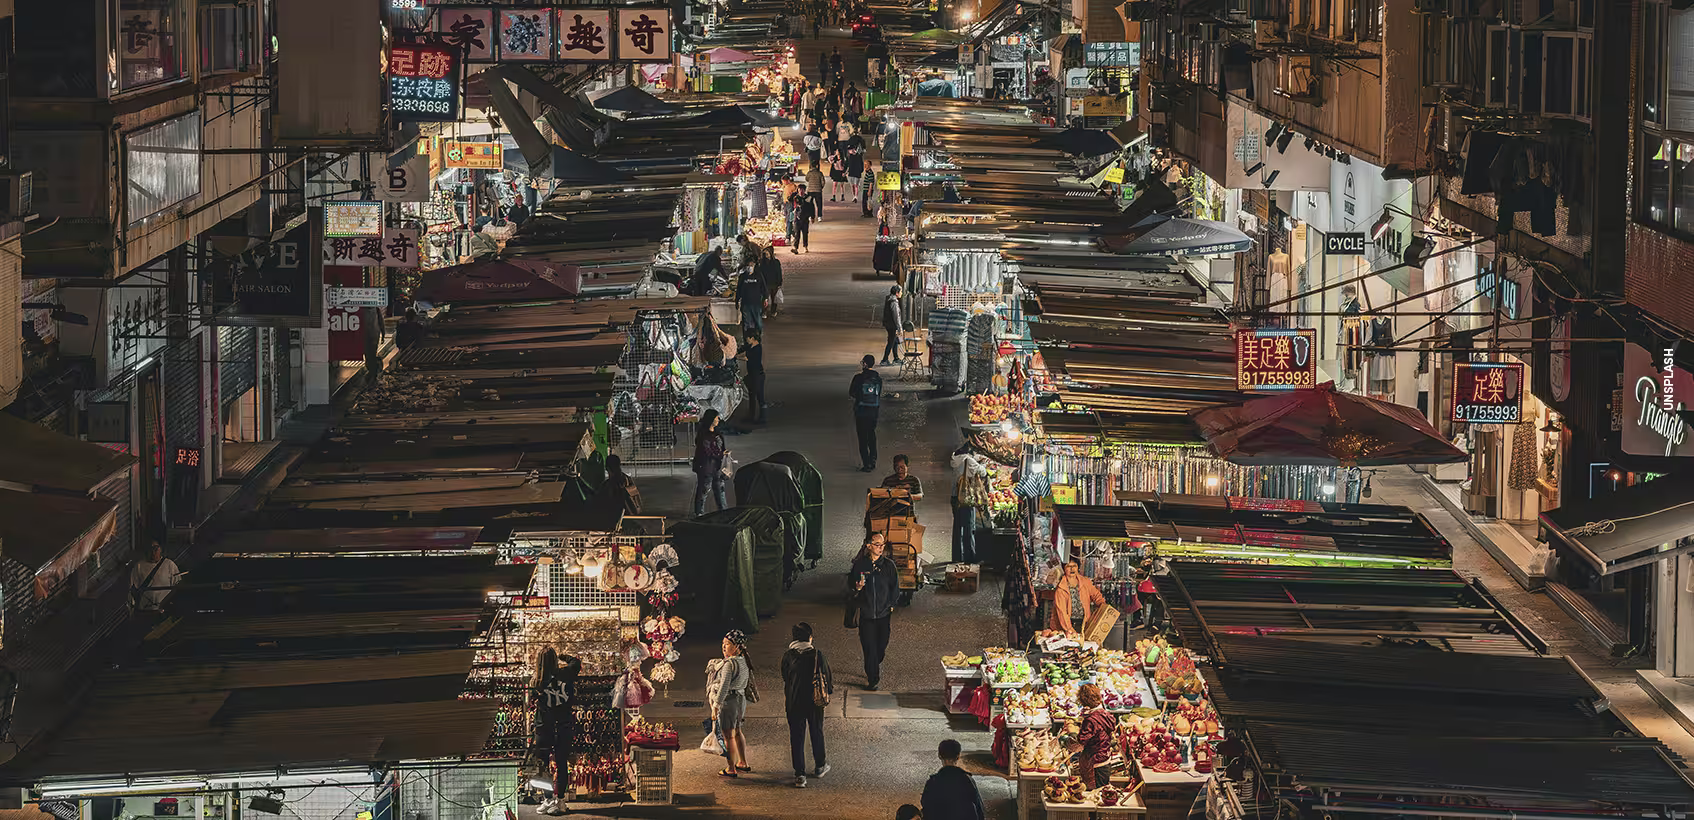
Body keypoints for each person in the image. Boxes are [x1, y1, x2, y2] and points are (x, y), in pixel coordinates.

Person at [781, 622, 833, 787]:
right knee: (816, 731)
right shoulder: (817, 655)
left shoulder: (788, 656)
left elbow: (785, 677)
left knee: (797, 736)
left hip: (794, 701)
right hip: (814, 701)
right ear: (810, 637)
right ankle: (820, 766)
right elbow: (827, 678)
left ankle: (800, 775)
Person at [532, 647, 582, 816]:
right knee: (561, 763)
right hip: (563, 725)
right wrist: (563, 655)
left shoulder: (536, 681)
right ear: (555, 660)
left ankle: (547, 799)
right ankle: (560, 800)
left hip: (544, 727)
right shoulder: (566, 673)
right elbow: (576, 662)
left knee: (543, 764)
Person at [848, 533, 899, 690]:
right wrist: (856, 588)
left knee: (881, 646)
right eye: (877, 545)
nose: (880, 548)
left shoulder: (889, 566)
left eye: (882, 545)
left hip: (884, 614)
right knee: (869, 647)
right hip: (866, 614)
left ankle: (874, 663)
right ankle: (873, 678)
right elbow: (850, 585)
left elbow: (895, 588)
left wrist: (891, 605)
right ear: (869, 546)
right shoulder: (860, 565)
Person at [713, 631, 754, 777]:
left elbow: (724, 687)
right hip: (740, 700)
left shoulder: (729, 664)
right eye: (723, 644)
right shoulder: (743, 661)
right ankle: (742, 762)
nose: (724, 647)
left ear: (737, 646)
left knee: (728, 736)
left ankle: (731, 768)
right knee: (737, 731)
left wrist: (716, 705)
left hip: (729, 701)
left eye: (727, 644)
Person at [920, 739, 986, 820]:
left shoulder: (932, 782)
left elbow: (925, 804)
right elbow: (979, 808)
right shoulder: (967, 780)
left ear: (939, 756)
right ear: (958, 756)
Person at [1071, 683, 1121, 788]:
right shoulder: (1106, 714)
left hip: (1094, 763)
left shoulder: (1091, 720)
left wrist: (1069, 737)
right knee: (1103, 789)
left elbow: (1081, 741)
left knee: (1095, 794)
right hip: (1105, 759)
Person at [949, 446, 988, 564]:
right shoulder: (969, 461)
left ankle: (957, 556)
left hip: (955, 497)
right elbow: (982, 472)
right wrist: (983, 464)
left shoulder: (955, 460)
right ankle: (969, 557)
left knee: (957, 527)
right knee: (968, 528)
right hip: (966, 497)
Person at [1049, 557, 1107, 636]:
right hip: (1065, 625)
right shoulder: (1061, 587)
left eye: (1074, 566)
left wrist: (1104, 609)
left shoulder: (1085, 582)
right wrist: (1070, 630)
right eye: (1069, 566)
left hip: (1084, 623)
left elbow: (1096, 596)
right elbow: (1062, 612)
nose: (1072, 569)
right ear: (1064, 568)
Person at [847, 354, 884, 472]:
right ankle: (873, 460)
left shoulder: (858, 378)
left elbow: (852, 393)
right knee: (872, 435)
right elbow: (879, 394)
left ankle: (866, 463)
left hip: (861, 412)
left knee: (862, 438)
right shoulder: (878, 378)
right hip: (874, 412)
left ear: (865, 364)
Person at [692, 409, 729, 516]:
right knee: (704, 491)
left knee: (720, 491)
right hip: (706, 468)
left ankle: (723, 513)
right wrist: (722, 454)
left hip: (717, 467)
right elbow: (707, 451)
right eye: (716, 417)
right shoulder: (704, 436)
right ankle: (699, 513)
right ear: (711, 419)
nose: (718, 419)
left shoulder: (716, 433)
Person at [130, 541, 182, 611]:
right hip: (145, 609)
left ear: (160, 549)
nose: (153, 552)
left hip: (164, 610)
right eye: (150, 549)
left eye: (155, 548)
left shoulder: (169, 565)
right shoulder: (139, 566)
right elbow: (133, 587)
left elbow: (177, 586)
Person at [592, 453, 643, 518]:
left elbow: (601, 502)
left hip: (619, 517)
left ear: (607, 468)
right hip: (633, 512)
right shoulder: (628, 479)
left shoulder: (610, 484)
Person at [737, 261, 768, 336]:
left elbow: (764, 288)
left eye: (751, 266)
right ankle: (747, 339)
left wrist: (765, 298)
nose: (750, 267)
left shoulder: (758, 276)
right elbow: (739, 289)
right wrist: (737, 300)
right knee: (746, 323)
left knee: (758, 322)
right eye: (748, 266)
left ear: (754, 266)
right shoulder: (742, 277)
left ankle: (758, 336)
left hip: (756, 303)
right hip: (745, 303)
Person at [742, 331, 767, 424]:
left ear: (752, 338)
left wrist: (736, 357)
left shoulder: (757, 348)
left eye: (747, 338)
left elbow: (746, 358)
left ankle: (762, 418)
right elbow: (741, 349)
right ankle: (751, 417)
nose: (746, 340)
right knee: (751, 396)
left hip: (758, 375)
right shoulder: (750, 346)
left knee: (760, 396)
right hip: (752, 375)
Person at [881, 285, 904, 366]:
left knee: (894, 341)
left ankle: (896, 358)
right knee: (891, 342)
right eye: (901, 291)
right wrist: (899, 328)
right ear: (897, 293)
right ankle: (884, 360)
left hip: (889, 324)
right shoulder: (894, 302)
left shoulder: (889, 299)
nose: (902, 293)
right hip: (892, 325)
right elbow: (896, 317)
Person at [760, 244, 786, 314]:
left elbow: (779, 273)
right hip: (766, 283)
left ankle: (773, 311)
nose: (766, 255)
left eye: (767, 253)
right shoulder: (762, 262)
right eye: (764, 254)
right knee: (765, 298)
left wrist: (779, 283)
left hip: (774, 283)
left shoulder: (776, 262)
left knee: (774, 298)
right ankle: (764, 311)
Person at [792, 184, 816, 253]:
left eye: (802, 190)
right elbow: (794, 207)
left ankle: (805, 247)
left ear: (804, 190)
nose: (800, 191)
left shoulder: (808, 198)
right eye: (799, 190)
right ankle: (795, 248)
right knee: (797, 234)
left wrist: (812, 217)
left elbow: (812, 208)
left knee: (805, 233)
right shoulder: (796, 198)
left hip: (805, 219)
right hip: (797, 219)